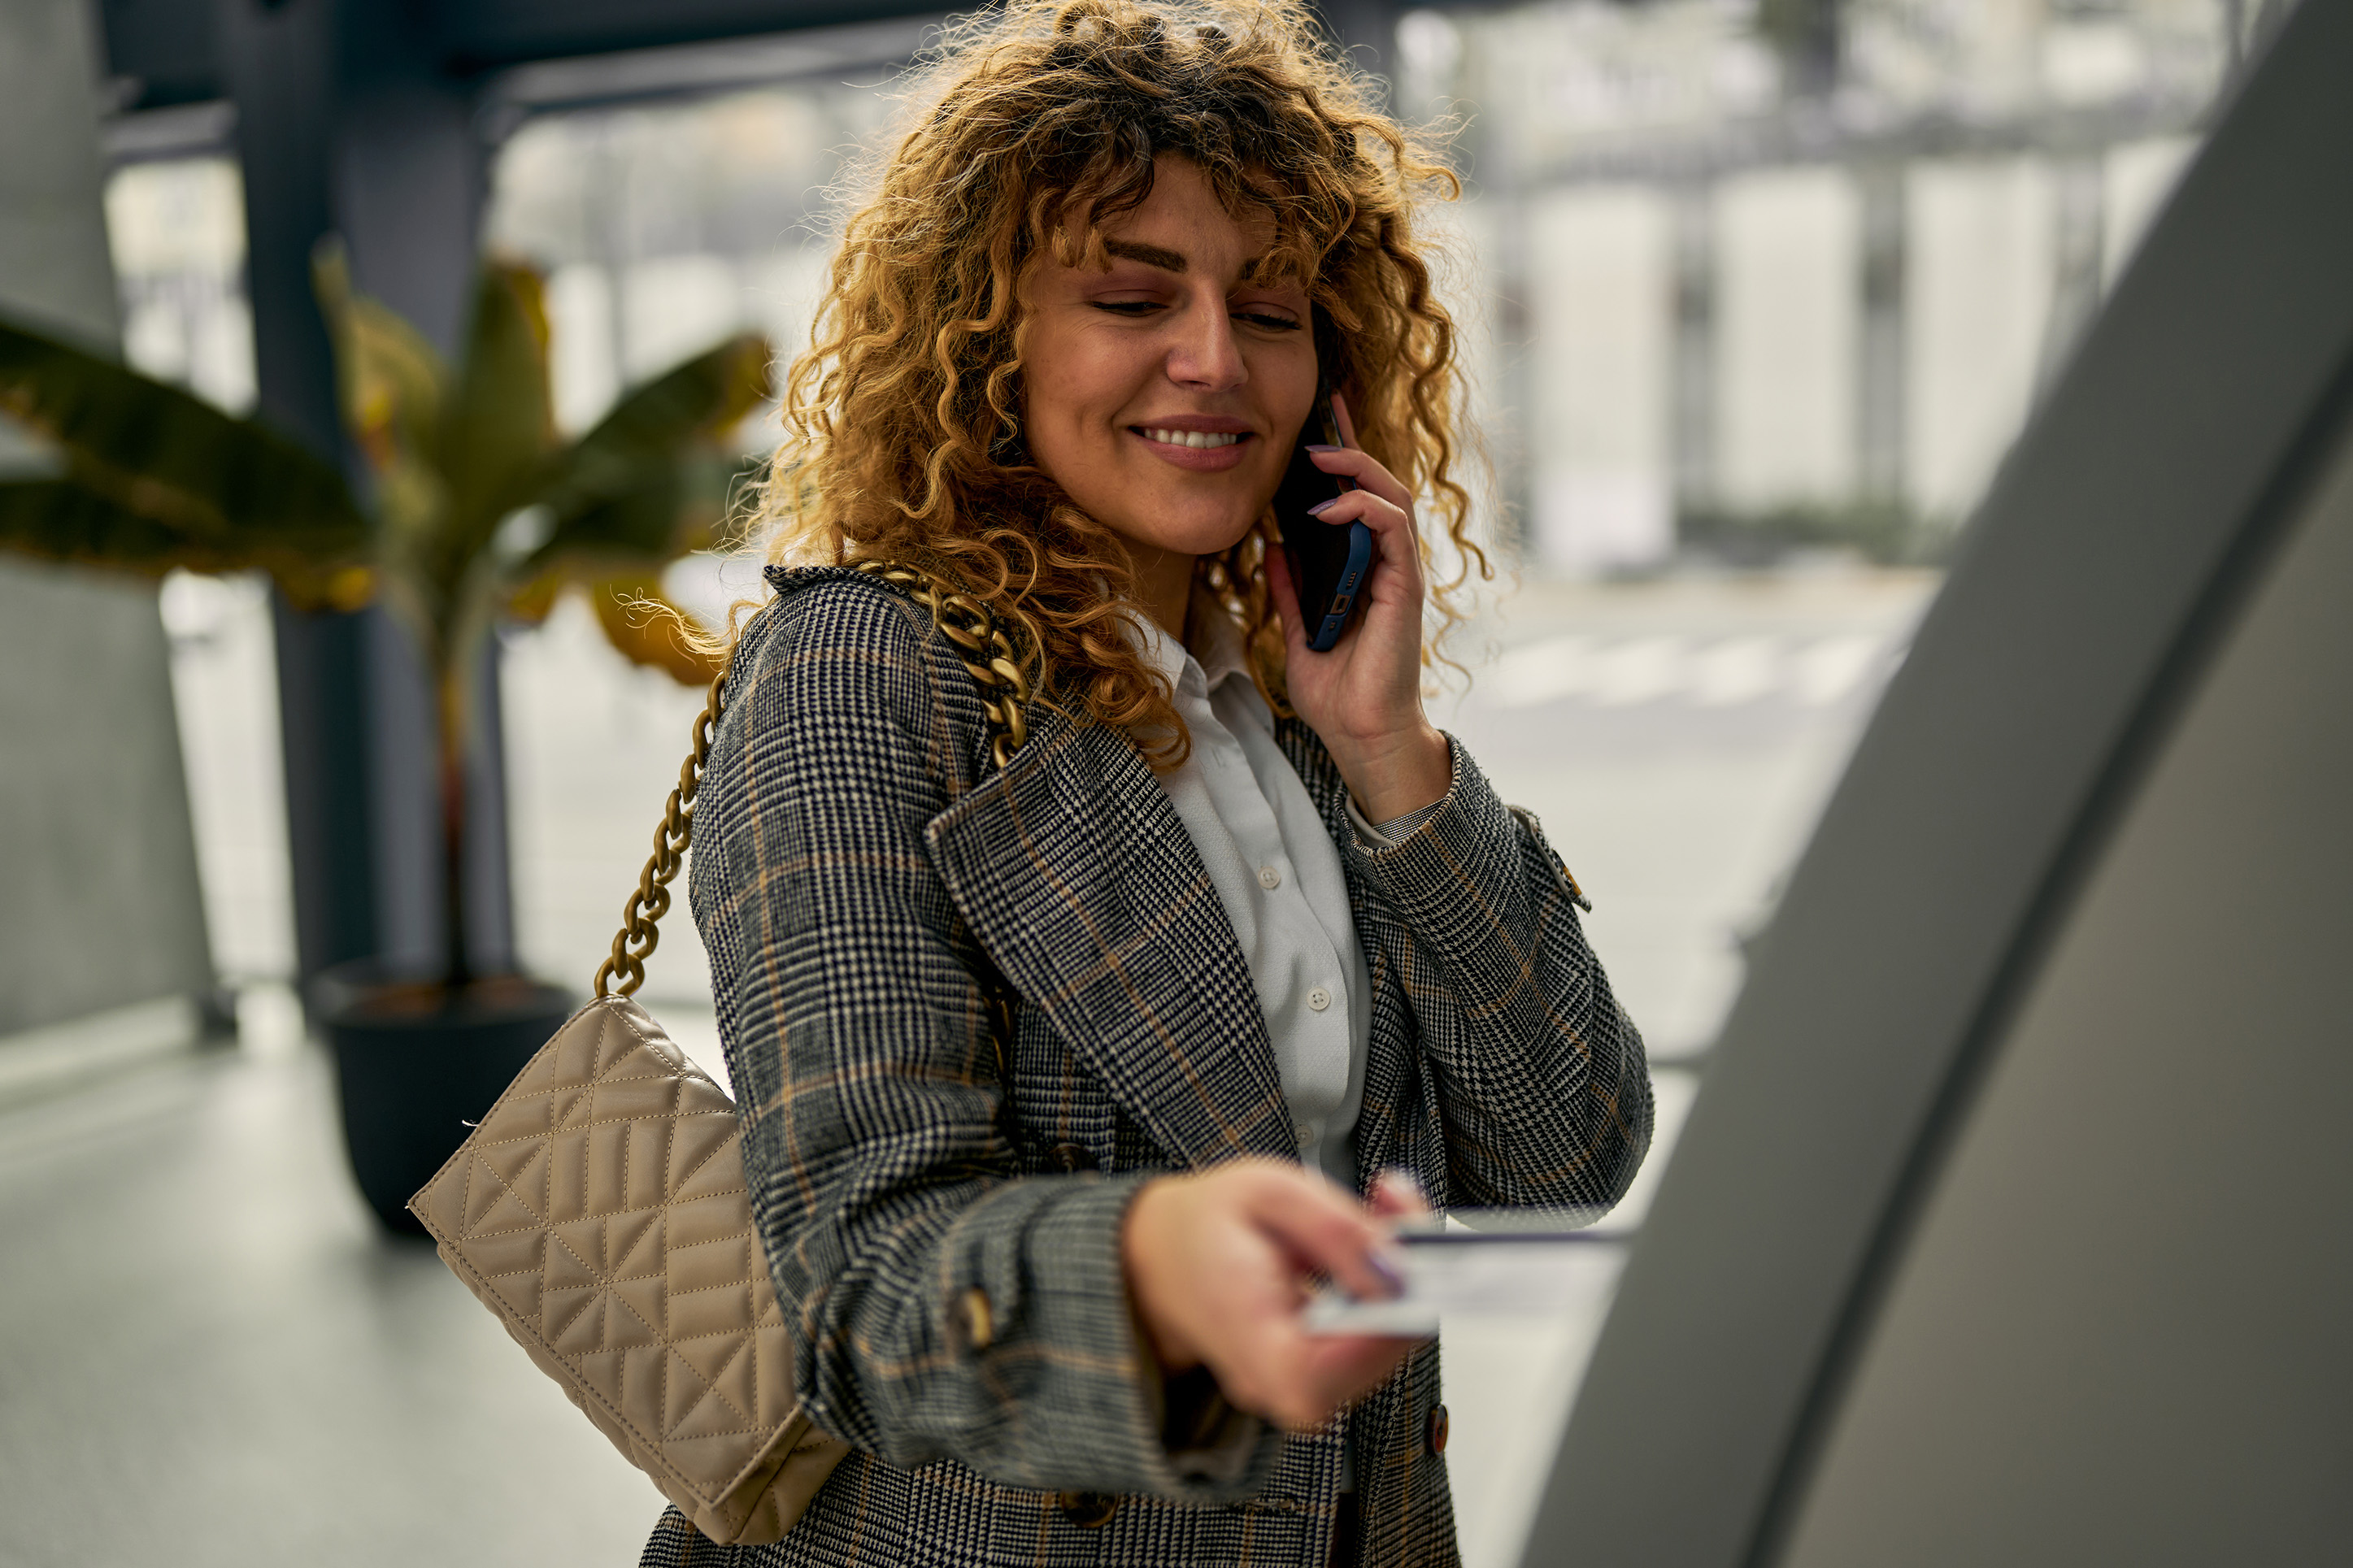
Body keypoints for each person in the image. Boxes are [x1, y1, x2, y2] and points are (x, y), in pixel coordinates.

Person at [642, 2, 1652, 1563]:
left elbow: (1561, 1153)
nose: (1210, 359)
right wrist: (1154, 1264)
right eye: (1131, 295)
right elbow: (862, 1285)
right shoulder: (865, 678)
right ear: (991, 342)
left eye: (1269, 308)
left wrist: (1393, 756)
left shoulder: (1305, 716)